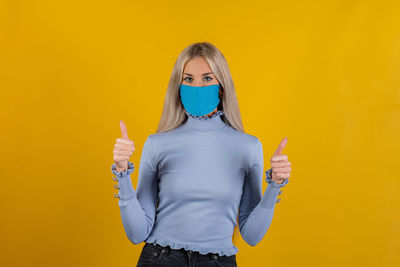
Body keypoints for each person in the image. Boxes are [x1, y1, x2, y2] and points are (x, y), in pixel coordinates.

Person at [111, 42, 292, 267]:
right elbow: (137, 233)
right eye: (188, 79)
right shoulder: (157, 144)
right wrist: (122, 171)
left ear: (222, 86)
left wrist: (275, 184)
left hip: (218, 261)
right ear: (178, 86)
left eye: (207, 78)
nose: (197, 86)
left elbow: (252, 236)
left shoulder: (248, 147)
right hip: (161, 259)